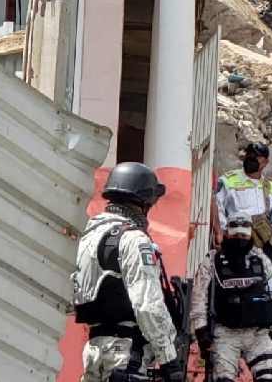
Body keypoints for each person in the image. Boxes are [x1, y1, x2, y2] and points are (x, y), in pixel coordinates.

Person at [72, 162, 184, 382]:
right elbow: (147, 304)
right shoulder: (134, 239)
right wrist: (169, 360)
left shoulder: (90, 236)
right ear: (143, 202)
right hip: (125, 354)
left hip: (95, 349)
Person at [191, 213, 272, 382]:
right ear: (227, 233)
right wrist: (201, 332)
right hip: (225, 334)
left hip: (259, 335)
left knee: (270, 377)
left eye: (243, 235)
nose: (239, 238)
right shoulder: (212, 260)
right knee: (223, 378)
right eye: (235, 235)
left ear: (250, 234)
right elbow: (199, 299)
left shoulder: (262, 260)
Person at [215, 143, 272, 273]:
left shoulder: (270, 187)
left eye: (256, 157)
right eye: (249, 155)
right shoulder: (228, 180)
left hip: (261, 242)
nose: (250, 158)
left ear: (265, 162)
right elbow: (217, 206)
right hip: (236, 240)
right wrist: (222, 230)